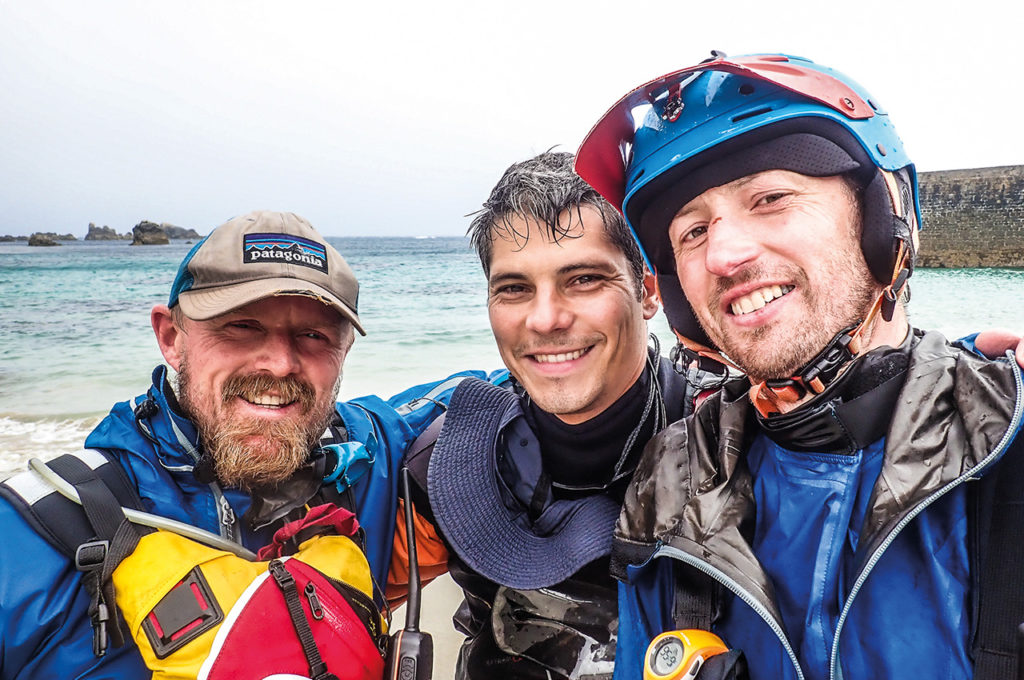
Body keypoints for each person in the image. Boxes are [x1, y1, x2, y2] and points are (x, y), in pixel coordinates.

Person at [573, 53, 1024, 680]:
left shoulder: (1006, 441)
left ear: (880, 217)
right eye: (693, 232)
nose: (725, 254)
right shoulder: (672, 486)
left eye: (770, 198)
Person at [0, 210, 484, 679]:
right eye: (242, 326)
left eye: (313, 335)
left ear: (343, 353)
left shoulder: (368, 461)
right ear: (171, 337)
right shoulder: (30, 535)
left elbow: (501, 390)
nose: (279, 364)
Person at [399, 151, 709, 680]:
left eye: (584, 279)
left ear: (648, 291)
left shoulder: (730, 447)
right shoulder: (446, 469)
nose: (545, 319)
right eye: (515, 288)